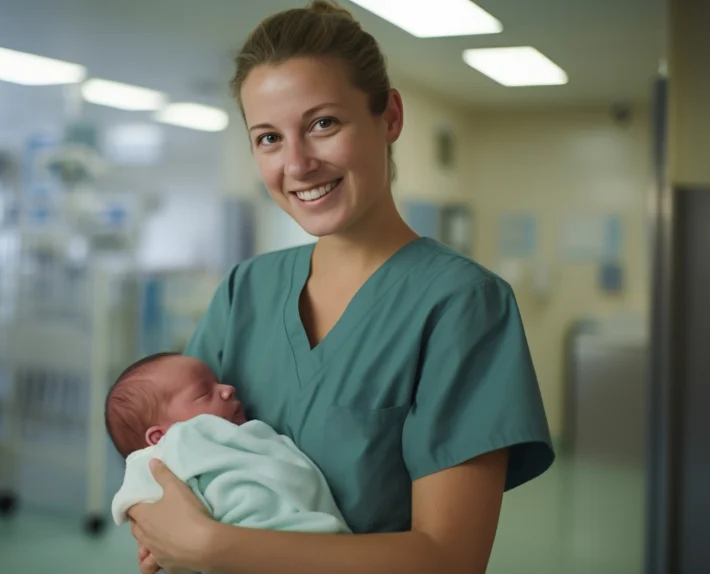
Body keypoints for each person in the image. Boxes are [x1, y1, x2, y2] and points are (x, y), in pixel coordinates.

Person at [126, 1, 555, 573]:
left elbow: (450, 559)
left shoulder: (461, 305)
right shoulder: (245, 291)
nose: (297, 163)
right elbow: (162, 467)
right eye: (269, 138)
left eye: (322, 123)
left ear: (390, 117)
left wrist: (210, 545)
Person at [107, 352, 350, 543]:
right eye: (204, 393)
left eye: (218, 382)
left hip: (305, 539)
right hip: (250, 544)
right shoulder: (164, 453)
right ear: (160, 437)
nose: (228, 389)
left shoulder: (241, 437)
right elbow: (136, 502)